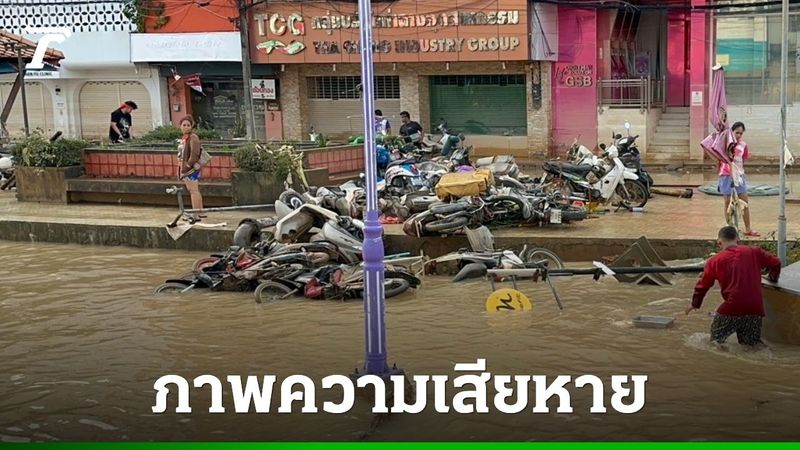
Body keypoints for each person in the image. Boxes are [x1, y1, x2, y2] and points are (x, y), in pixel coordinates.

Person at [685, 226, 781, 347]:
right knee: (752, 347)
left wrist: (695, 304)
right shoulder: (754, 252)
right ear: (738, 239)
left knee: (715, 343)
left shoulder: (713, 261)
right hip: (755, 310)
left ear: (719, 242)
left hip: (731, 309)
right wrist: (772, 278)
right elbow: (776, 262)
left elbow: (702, 286)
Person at [718, 121, 759, 237]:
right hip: (725, 175)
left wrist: (738, 171)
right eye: (737, 133)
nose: (739, 135)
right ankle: (730, 230)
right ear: (732, 131)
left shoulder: (743, 145)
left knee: (744, 202)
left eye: (741, 133)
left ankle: (748, 228)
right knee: (727, 202)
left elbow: (743, 159)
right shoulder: (724, 143)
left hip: (739, 175)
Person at [177, 115, 205, 220]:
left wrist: (187, 166)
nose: (186, 127)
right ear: (180, 126)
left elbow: (195, 153)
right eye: (184, 125)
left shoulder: (193, 137)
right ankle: (200, 212)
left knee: (193, 190)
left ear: (191, 126)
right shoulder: (185, 138)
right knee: (194, 190)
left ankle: (196, 213)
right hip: (187, 167)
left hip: (190, 169)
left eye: (188, 125)